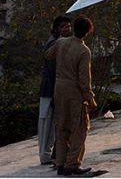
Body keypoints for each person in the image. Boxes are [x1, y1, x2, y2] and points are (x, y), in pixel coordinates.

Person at [45, 15, 97, 176]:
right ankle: (72, 164)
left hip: (59, 89)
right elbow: (84, 81)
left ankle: (60, 163)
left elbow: (48, 55)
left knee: (62, 127)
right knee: (79, 129)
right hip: (74, 91)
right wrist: (91, 99)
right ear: (87, 32)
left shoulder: (60, 42)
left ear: (74, 28)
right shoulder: (84, 51)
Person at [38, 15, 72, 165]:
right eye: (64, 26)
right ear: (57, 28)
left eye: (69, 26)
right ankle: (45, 156)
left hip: (55, 89)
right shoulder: (54, 43)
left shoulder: (61, 43)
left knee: (55, 124)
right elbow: (52, 71)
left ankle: (52, 155)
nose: (67, 29)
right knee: (46, 124)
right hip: (49, 90)